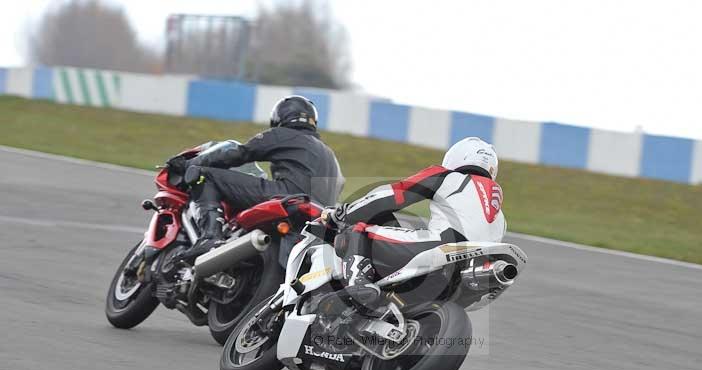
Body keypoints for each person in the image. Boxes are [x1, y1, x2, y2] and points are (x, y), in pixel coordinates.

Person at [323, 136, 505, 304]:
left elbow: (393, 194)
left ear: (459, 157)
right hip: (471, 272)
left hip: (442, 248)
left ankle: (357, 287)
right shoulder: (501, 218)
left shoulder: (448, 177)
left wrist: (343, 213)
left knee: (358, 232)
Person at [170, 95, 343, 260]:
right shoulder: (329, 153)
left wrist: (189, 164)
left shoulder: (283, 134)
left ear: (280, 118)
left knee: (205, 176)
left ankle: (209, 237)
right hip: (319, 217)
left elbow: (239, 153)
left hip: (287, 197)